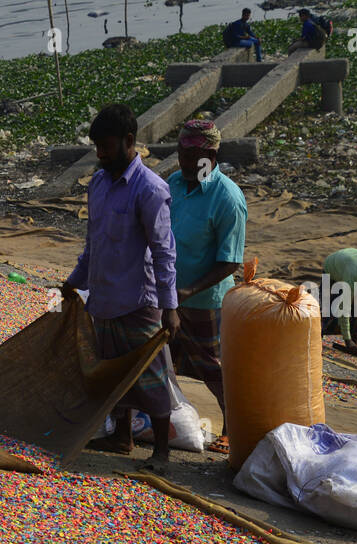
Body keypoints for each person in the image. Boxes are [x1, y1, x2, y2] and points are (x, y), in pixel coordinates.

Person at [62, 103, 180, 466]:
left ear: (130, 142)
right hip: (104, 298)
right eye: (97, 146)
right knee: (113, 373)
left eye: (107, 146)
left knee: (151, 377)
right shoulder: (98, 184)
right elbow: (93, 245)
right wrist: (72, 284)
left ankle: (161, 451)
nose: (100, 154)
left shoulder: (150, 190)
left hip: (138, 301)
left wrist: (170, 308)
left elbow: (164, 253)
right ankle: (123, 437)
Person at [168, 119, 246, 455]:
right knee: (160, 361)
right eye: (181, 154)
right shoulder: (173, 183)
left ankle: (233, 429)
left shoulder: (227, 198)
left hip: (206, 300)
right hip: (168, 293)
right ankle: (159, 423)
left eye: (193, 156)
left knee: (213, 367)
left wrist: (190, 291)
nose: (184, 163)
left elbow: (230, 261)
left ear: (211, 156)